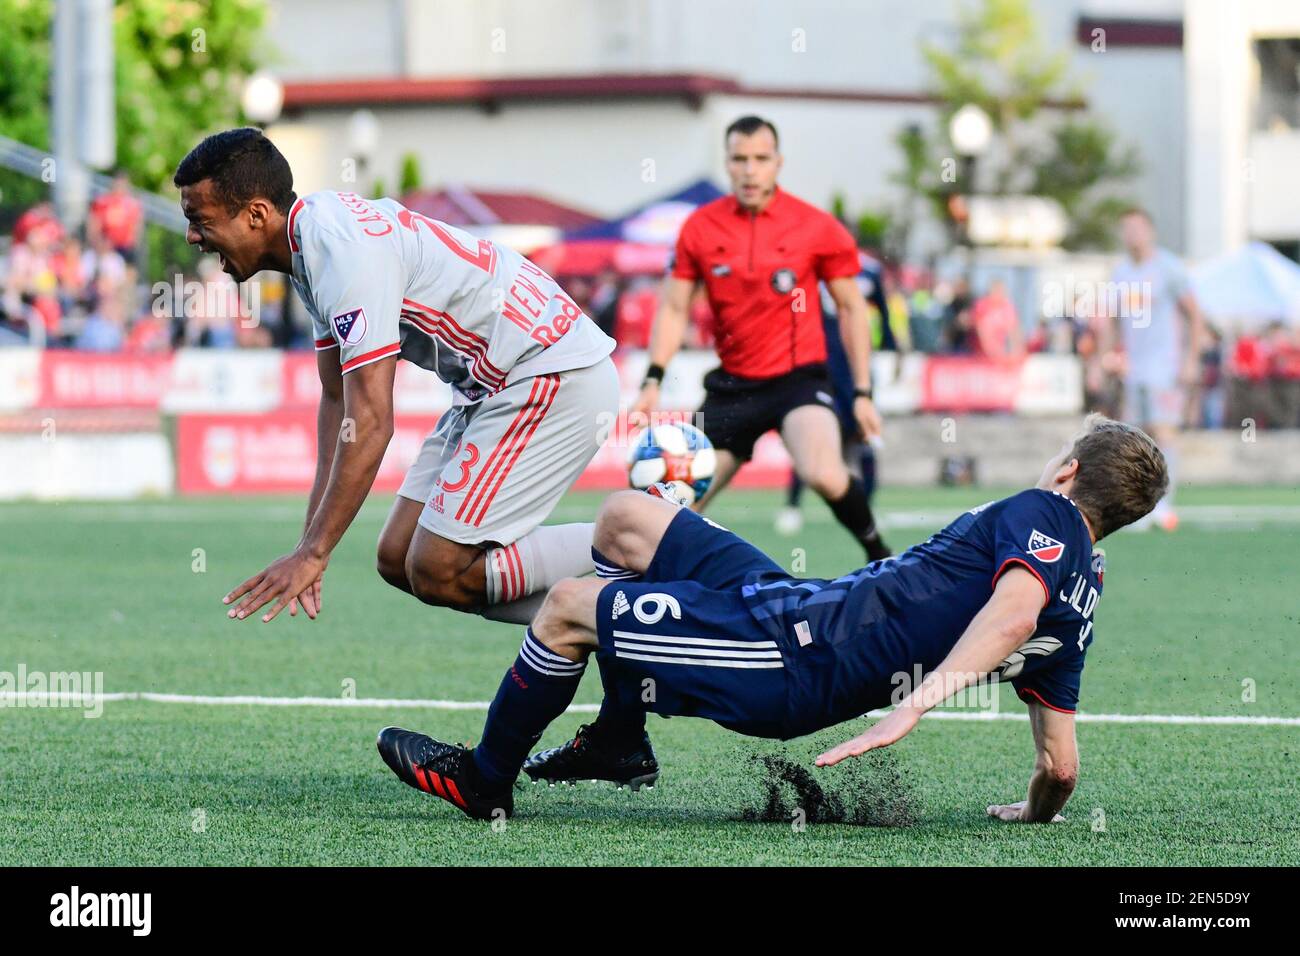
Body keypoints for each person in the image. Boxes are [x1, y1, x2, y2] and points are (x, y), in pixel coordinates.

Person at [377, 414, 1167, 823]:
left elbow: (1011, 612)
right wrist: (1031, 811)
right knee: (631, 519)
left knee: (567, 610)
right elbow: (1061, 770)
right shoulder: (1084, 602)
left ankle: (485, 782)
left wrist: (913, 707)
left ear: (1067, 470)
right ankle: (621, 734)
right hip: (800, 607)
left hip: (789, 662)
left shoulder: (1044, 516)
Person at [174, 128, 618, 626]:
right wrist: (309, 543)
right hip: (496, 384)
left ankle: (648, 540)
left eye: (200, 220)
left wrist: (316, 554)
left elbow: (372, 418)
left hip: (549, 371)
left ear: (256, 214)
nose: (192, 235)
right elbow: (338, 398)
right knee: (400, 558)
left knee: (438, 564)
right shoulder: (312, 242)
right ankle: (608, 616)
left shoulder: (339, 249)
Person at [632, 115, 890, 562]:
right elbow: (674, 307)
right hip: (733, 386)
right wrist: (652, 379)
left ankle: (881, 555)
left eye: (760, 159)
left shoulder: (815, 226)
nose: (750, 170)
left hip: (799, 381)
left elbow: (851, 307)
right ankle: (653, 597)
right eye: (739, 159)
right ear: (727, 164)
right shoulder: (700, 227)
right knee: (671, 505)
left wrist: (863, 392)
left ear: (778, 163)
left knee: (825, 473)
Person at [775, 249, 892, 536]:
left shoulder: (869, 271)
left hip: (857, 371)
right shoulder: (812, 269)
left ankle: (869, 508)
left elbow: (884, 318)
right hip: (820, 369)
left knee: (865, 438)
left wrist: (892, 349)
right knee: (811, 439)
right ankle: (792, 506)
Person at [1109, 207, 1207, 531]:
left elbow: (1194, 313)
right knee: (1135, 435)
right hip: (1134, 367)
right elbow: (1111, 319)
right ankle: (1139, 504)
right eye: (1127, 229)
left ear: (1150, 231)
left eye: (1138, 229)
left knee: (1164, 431)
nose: (1132, 235)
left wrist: (1191, 358)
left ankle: (1164, 503)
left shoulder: (1168, 268)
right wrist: (1107, 356)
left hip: (1164, 365)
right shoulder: (1121, 272)